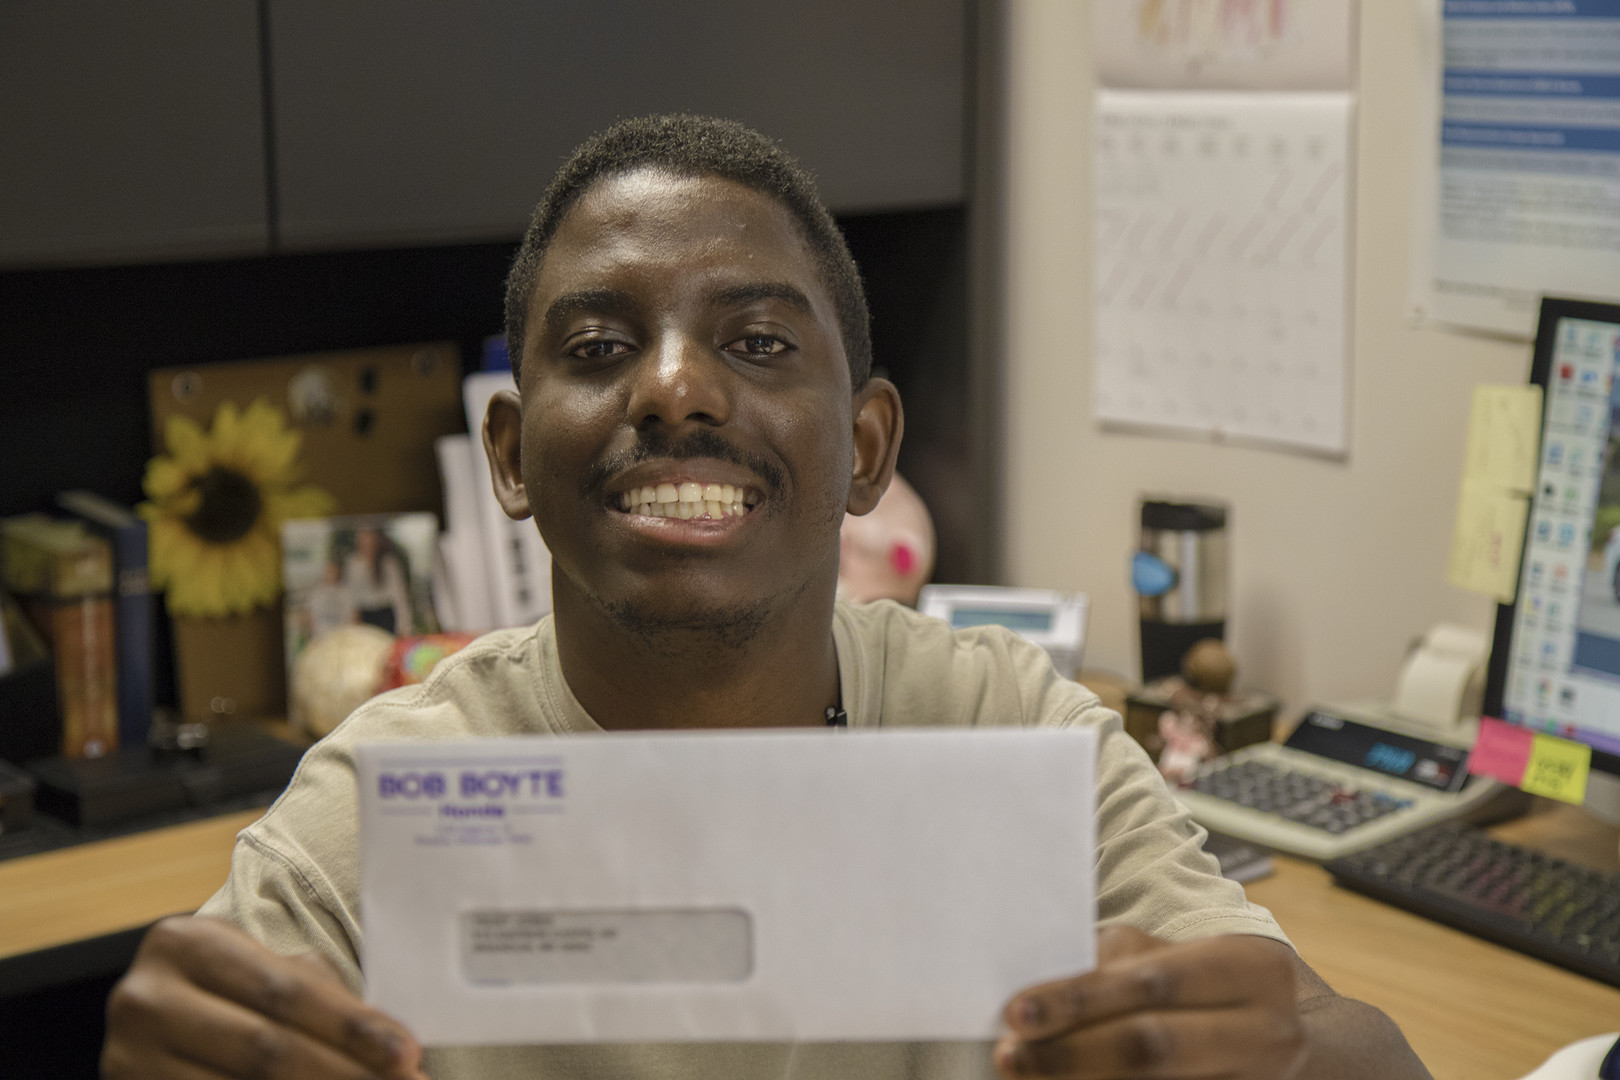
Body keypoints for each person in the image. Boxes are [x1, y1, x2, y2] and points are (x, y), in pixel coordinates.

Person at [101, 114, 1431, 1080]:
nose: (675, 389)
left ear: (863, 449)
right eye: (601, 345)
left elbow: (1368, 1056)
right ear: (511, 456)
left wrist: (1293, 1048)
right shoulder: (382, 814)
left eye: (755, 340)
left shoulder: (1005, 734)